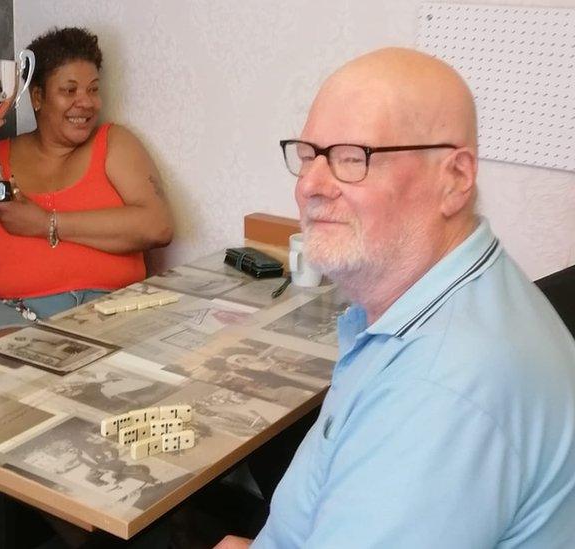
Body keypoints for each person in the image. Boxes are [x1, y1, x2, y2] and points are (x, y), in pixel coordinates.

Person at [217, 48, 575, 548]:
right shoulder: (446, 299)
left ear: (454, 180)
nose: (310, 186)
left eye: (352, 158)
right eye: (308, 154)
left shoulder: (442, 388)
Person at [0, 27, 173, 346]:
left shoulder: (114, 144)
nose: (86, 103)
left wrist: (44, 223)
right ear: (37, 97)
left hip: (113, 309)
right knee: (11, 388)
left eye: (93, 89)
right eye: (70, 90)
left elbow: (158, 227)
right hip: (15, 315)